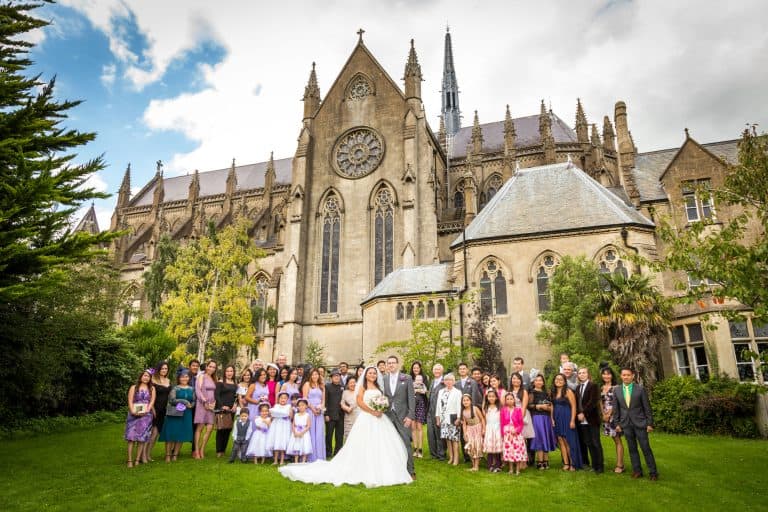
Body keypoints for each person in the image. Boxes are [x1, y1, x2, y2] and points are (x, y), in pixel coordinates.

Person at [278, 366, 413, 487]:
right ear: (365, 375)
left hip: (379, 419)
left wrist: (381, 409)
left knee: (381, 443)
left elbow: (383, 401)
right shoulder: (362, 387)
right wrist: (373, 411)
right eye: (370, 373)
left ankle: (383, 468)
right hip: (367, 417)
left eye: (374, 373)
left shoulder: (378, 387)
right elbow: (359, 402)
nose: (372, 375)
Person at [613, 367, 658, 480]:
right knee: (632, 448)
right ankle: (637, 471)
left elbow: (647, 407)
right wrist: (617, 424)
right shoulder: (617, 390)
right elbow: (616, 409)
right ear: (621, 376)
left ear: (633, 376)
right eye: (624, 375)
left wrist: (649, 423)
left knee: (645, 448)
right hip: (626, 424)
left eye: (628, 375)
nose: (626, 377)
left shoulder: (640, 389)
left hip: (640, 423)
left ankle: (653, 473)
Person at [383, 355, 416, 478]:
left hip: (403, 417)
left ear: (397, 364)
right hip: (387, 416)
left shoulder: (406, 378)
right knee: (390, 443)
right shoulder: (384, 379)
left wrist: (410, 416)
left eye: (393, 363)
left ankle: (411, 470)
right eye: (389, 363)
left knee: (406, 442)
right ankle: (394, 469)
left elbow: (411, 399)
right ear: (387, 365)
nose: (391, 365)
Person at [160, 370, 195, 462]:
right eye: (182, 377)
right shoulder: (175, 388)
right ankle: (168, 455)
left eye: (186, 376)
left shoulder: (192, 389)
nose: (184, 378)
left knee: (181, 434)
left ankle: (175, 454)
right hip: (175, 413)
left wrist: (192, 405)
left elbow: (194, 400)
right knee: (171, 434)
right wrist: (184, 401)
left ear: (189, 378)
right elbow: (172, 400)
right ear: (179, 378)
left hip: (186, 413)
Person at [552, 373, 583, 470]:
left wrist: (572, 420)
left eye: (561, 379)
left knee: (568, 440)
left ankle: (573, 463)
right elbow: (552, 406)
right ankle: (566, 463)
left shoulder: (568, 391)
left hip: (567, 417)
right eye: (557, 379)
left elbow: (574, 406)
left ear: (565, 381)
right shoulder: (553, 392)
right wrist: (552, 419)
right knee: (560, 440)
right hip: (557, 418)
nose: (558, 381)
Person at [125, 369, 155, 467]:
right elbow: (130, 400)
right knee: (131, 438)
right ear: (141, 376)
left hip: (146, 415)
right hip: (133, 414)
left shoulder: (152, 389)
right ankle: (130, 460)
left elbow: (152, 402)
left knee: (142, 438)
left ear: (150, 378)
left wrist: (147, 411)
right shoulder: (134, 387)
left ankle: (137, 459)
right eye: (144, 375)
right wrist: (132, 411)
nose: (146, 377)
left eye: (148, 376)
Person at [576, 367, 604, 473]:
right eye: (580, 373)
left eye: (584, 373)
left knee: (596, 442)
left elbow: (593, 402)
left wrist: (583, 413)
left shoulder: (593, 386)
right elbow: (579, 403)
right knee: (588, 443)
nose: (582, 374)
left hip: (591, 418)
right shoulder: (578, 388)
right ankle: (594, 465)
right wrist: (579, 413)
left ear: (588, 374)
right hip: (582, 420)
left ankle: (600, 466)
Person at [599, 365, 625, 473]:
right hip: (605, 416)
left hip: (615, 416)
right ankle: (619, 464)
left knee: (618, 440)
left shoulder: (616, 387)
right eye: (604, 374)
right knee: (614, 439)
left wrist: (609, 414)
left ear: (612, 375)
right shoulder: (601, 388)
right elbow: (600, 402)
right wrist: (603, 414)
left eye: (608, 374)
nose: (606, 376)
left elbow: (617, 403)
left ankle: (620, 465)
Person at [528, 374, 556, 469]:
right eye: (536, 380)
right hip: (537, 418)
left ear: (543, 382)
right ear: (534, 382)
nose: (539, 382)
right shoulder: (532, 393)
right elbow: (529, 405)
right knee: (540, 438)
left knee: (546, 438)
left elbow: (551, 405)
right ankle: (540, 461)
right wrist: (539, 406)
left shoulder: (547, 393)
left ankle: (546, 460)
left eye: (540, 380)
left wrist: (551, 418)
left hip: (546, 418)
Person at [435, 373, 462, 466]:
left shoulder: (457, 392)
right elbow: (438, 406)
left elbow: (459, 406)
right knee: (447, 439)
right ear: (444, 381)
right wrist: (438, 418)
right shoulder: (441, 391)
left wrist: (459, 418)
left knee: (454, 439)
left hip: (453, 418)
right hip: (443, 418)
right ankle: (451, 457)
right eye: (446, 380)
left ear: (454, 381)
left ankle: (456, 459)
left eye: (450, 380)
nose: (448, 381)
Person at [193, 360, 218, 459]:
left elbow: (215, 392)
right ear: (206, 367)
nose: (212, 369)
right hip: (202, 405)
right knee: (200, 427)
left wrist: (214, 403)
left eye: (214, 367)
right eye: (210, 366)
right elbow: (198, 390)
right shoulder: (201, 376)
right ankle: (196, 451)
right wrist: (204, 402)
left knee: (209, 428)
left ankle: (202, 449)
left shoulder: (213, 378)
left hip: (211, 406)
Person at [508, 372, 534, 465]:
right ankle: (514, 458)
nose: (515, 380)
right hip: (511, 415)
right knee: (514, 439)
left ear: (521, 381)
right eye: (514, 378)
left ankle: (524, 462)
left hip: (521, 415)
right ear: (511, 380)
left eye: (518, 379)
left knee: (523, 439)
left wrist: (519, 420)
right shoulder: (509, 392)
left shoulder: (524, 392)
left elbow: (523, 406)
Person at [148, 361, 171, 461]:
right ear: (158, 369)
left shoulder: (168, 380)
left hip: (163, 410)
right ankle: (144, 455)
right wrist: (152, 408)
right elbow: (149, 396)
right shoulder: (152, 380)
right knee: (151, 433)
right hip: (154, 409)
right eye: (162, 369)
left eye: (166, 369)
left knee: (156, 434)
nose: (164, 370)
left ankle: (147, 455)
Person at [302, 368, 326, 461]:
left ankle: (319, 456)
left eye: (316, 374)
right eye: (313, 374)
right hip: (310, 411)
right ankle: (310, 456)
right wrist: (312, 409)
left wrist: (321, 408)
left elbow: (323, 400)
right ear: (310, 376)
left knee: (319, 433)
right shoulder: (307, 384)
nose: (315, 376)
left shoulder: (321, 386)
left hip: (319, 412)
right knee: (311, 432)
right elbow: (305, 398)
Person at [214, 365, 238, 458]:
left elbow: (237, 397)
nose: (229, 373)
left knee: (228, 429)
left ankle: (223, 450)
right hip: (222, 409)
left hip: (231, 410)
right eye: (227, 371)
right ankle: (219, 451)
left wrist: (235, 405)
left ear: (233, 372)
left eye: (231, 371)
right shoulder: (220, 383)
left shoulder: (236, 384)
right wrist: (222, 406)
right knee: (221, 429)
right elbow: (217, 395)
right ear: (225, 372)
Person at [501, 391, 527, 475]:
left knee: (517, 451)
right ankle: (511, 469)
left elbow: (521, 423)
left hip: (516, 434)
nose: (509, 400)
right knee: (509, 451)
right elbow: (502, 423)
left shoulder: (518, 410)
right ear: (505, 400)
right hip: (507, 434)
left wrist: (517, 430)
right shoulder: (503, 410)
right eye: (507, 399)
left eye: (511, 399)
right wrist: (503, 434)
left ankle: (518, 469)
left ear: (514, 400)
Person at [460, 393, 485, 472]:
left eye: (467, 400)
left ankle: (476, 466)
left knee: (476, 446)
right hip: (469, 429)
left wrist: (483, 429)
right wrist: (465, 433)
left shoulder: (475, 408)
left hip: (477, 428)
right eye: (464, 400)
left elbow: (482, 419)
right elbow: (464, 424)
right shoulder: (463, 411)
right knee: (470, 447)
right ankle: (473, 465)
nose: (466, 402)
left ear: (470, 401)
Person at [427, 363, 446, 461]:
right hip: (430, 411)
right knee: (430, 433)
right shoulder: (432, 381)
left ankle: (441, 454)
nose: (436, 371)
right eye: (435, 369)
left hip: (439, 412)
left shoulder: (444, 382)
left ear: (442, 371)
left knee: (439, 433)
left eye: (438, 369)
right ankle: (433, 454)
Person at [267, 391, 293, 464]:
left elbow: (291, 417)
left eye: (285, 398)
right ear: (278, 399)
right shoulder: (276, 406)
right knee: (276, 441)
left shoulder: (289, 406)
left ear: (287, 399)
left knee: (283, 441)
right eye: (281, 398)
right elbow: (272, 416)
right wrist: (271, 414)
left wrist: (289, 414)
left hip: (285, 426)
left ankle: (282, 460)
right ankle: (275, 460)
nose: (283, 399)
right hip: (277, 425)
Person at [325, 370, 345, 456]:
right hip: (330, 415)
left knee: (339, 435)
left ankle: (338, 453)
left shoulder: (343, 387)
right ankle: (328, 452)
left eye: (338, 376)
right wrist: (326, 414)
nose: (336, 377)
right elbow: (325, 401)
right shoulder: (327, 386)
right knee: (329, 435)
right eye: (334, 376)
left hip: (341, 415)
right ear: (331, 377)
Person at [286, 398, 313, 463]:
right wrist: (294, 432)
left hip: (304, 433)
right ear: (297, 407)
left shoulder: (307, 415)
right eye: (299, 405)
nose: (301, 407)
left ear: (306, 406)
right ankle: (296, 461)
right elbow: (293, 424)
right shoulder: (296, 415)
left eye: (303, 405)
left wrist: (302, 432)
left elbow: (308, 425)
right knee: (296, 446)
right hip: (296, 432)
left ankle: (303, 461)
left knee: (304, 446)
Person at [483, 388, 502, 472]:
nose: (491, 398)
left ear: (496, 398)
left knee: (497, 447)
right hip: (489, 428)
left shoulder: (499, 407)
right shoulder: (486, 407)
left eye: (493, 396)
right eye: (489, 396)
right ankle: (490, 465)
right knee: (490, 447)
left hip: (497, 428)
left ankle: (498, 465)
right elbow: (484, 419)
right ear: (487, 397)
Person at [411, 367, 428, 458]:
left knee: (419, 428)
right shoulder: (412, 384)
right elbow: (410, 392)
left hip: (420, 406)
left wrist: (419, 390)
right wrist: (416, 390)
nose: (419, 381)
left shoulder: (423, 385)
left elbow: (425, 391)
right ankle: (415, 448)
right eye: (417, 379)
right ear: (415, 379)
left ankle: (420, 449)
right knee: (413, 428)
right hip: (413, 407)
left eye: (420, 379)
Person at [187, 359, 201, 455]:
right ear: (189, 366)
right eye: (193, 365)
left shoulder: (199, 377)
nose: (195, 367)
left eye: (197, 366)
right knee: (183, 426)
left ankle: (194, 450)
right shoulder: (185, 376)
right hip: (186, 405)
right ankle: (174, 450)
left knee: (196, 427)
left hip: (197, 406)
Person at [340, 376, 359, 442]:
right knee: (349, 438)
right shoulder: (345, 392)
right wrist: (347, 408)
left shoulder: (359, 392)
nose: (353, 384)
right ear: (347, 384)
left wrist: (352, 407)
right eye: (351, 382)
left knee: (358, 436)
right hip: (348, 417)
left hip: (358, 416)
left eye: (354, 382)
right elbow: (342, 403)